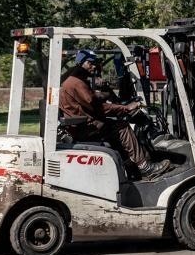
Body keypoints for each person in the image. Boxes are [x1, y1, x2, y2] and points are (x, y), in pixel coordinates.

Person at [59, 49, 172, 180]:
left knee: (113, 129)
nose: (94, 66)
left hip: (83, 126)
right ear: (81, 63)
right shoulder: (76, 83)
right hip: (87, 128)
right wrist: (126, 108)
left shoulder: (73, 80)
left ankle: (129, 167)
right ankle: (145, 167)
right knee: (122, 127)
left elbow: (90, 99)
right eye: (90, 63)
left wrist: (105, 94)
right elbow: (100, 108)